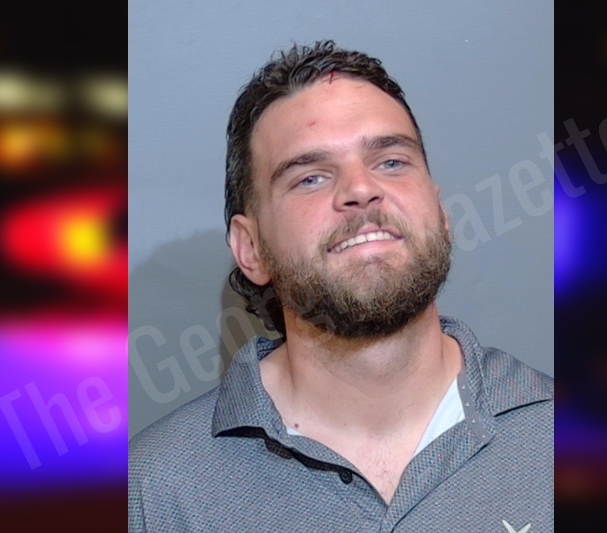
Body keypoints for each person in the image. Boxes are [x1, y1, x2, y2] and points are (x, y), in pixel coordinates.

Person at [129, 40, 552, 532]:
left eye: (391, 161)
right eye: (310, 177)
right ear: (251, 248)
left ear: (440, 212)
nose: (360, 188)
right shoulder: (156, 492)